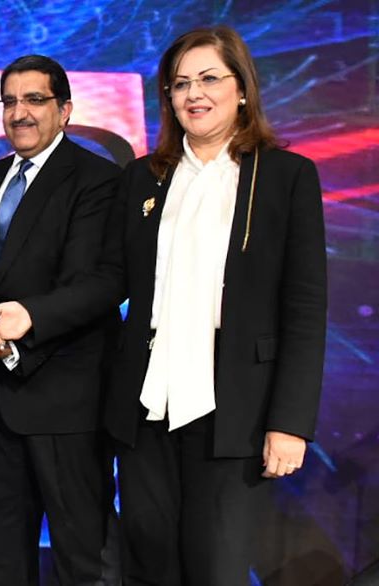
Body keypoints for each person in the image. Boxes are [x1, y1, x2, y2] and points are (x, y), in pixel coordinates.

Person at [102, 26, 327, 585]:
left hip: (236, 412)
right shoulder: (143, 177)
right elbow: (108, 280)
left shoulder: (286, 176)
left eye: (208, 79)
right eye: (180, 84)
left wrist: (290, 423)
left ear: (242, 89)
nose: (193, 94)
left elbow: (304, 308)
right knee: (148, 567)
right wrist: (28, 317)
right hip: (148, 407)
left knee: (216, 569)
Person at [0, 55, 121, 585]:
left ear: (65, 109)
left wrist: (14, 341)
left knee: (80, 559)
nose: (20, 113)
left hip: (65, 400)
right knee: (3, 559)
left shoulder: (99, 179)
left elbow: (100, 284)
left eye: (35, 100)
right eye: (10, 101)